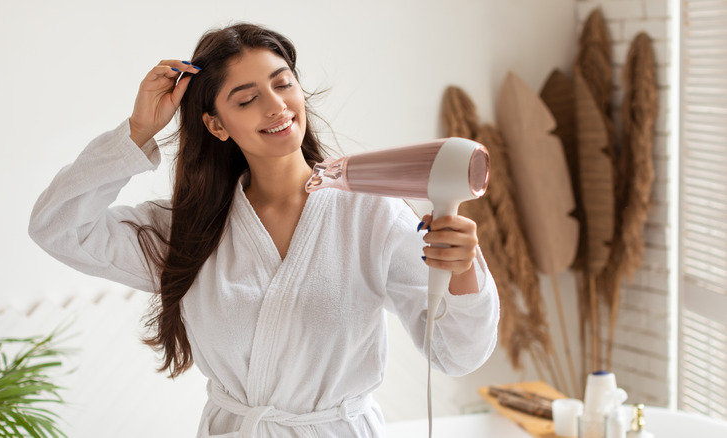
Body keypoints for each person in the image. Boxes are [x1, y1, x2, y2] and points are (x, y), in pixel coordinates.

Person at [29, 23, 499, 438]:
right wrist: (137, 131)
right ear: (216, 125)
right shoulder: (189, 230)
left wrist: (461, 270)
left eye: (283, 84)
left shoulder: (371, 213)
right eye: (247, 99)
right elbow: (57, 227)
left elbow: (458, 355)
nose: (276, 107)